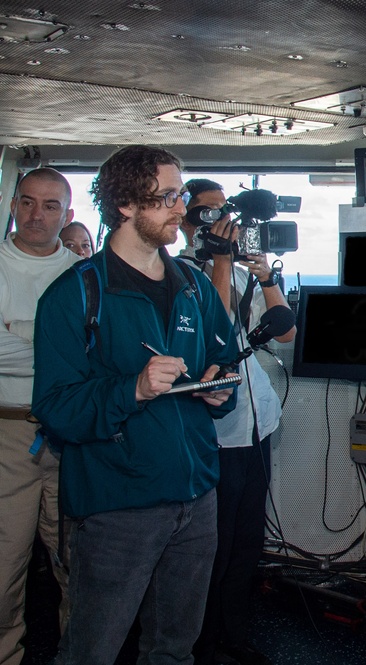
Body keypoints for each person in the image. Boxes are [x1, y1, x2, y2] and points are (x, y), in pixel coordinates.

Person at [30, 146, 239, 665]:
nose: (180, 209)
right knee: (91, 652)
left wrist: (219, 386)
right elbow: (55, 407)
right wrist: (133, 390)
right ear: (125, 205)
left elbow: (223, 357)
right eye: (168, 197)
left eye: (181, 195)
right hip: (117, 504)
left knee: (174, 650)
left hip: (196, 496)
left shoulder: (192, 285)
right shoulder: (74, 294)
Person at [177, 178, 296, 665]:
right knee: (213, 547)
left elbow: (286, 335)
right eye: (207, 215)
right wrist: (222, 262)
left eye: (223, 212)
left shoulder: (244, 274)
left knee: (247, 542)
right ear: (188, 225)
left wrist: (265, 276)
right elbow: (218, 335)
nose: (221, 223)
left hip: (256, 425)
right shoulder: (182, 274)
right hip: (215, 435)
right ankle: (201, 643)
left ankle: (236, 633)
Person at [0, 168, 79, 665]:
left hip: (73, 436)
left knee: (78, 561)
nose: (36, 214)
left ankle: (80, 653)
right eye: (27, 202)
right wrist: (56, 345)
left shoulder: (81, 273)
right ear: (12, 206)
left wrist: (19, 331)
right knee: (5, 563)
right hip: (9, 431)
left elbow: (100, 355)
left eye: (50, 206)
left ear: (68, 216)